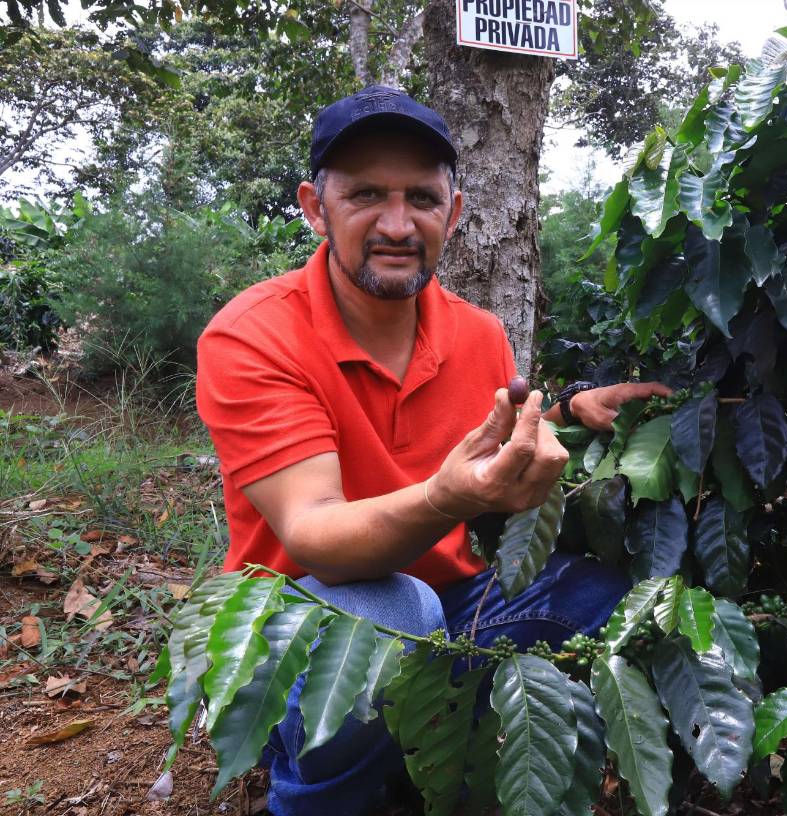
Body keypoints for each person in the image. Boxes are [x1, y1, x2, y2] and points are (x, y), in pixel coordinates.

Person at [194, 85, 670, 816]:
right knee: (397, 608)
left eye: (420, 197)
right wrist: (449, 498)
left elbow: (499, 425)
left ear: (452, 212)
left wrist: (571, 409)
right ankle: (314, 796)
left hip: (454, 605)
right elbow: (317, 537)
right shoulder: (254, 336)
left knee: (606, 595)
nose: (396, 223)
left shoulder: (477, 333)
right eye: (365, 196)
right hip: (307, 629)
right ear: (315, 207)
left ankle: (430, 741)